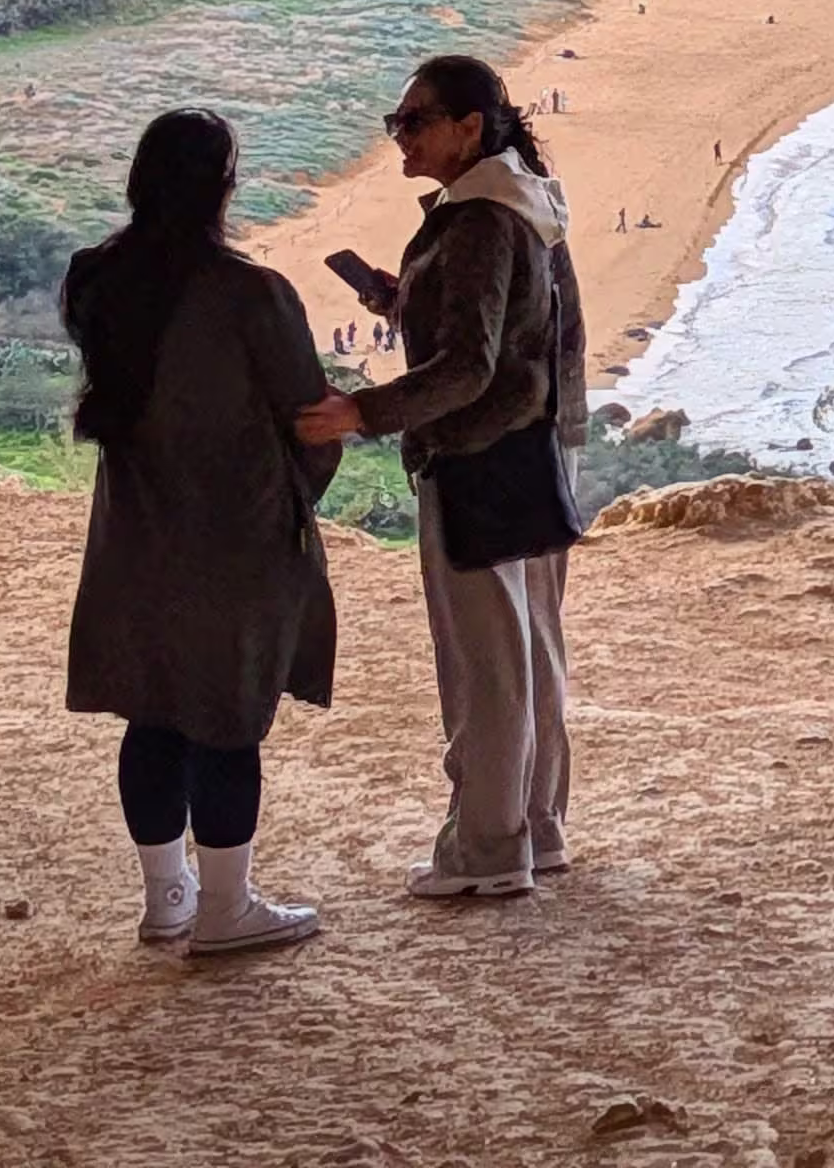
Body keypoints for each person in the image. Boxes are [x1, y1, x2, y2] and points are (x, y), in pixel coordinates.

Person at [296, 52, 590, 900]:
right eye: (397, 121)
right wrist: (405, 301)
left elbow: (467, 367)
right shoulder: (525, 200)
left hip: (478, 454)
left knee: (485, 663)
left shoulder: (478, 221)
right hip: (538, 449)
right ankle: (537, 827)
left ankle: (488, 850)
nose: (401, 135)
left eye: (415, 120)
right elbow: (510, 323)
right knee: (532, 646)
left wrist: (362, 411)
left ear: (468, 127)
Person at [61, 109, 338, 957]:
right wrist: (294, 497)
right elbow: (310, 417)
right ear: (224, 188)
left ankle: (167, 898)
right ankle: (227, 907)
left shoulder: (95, 277)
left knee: (151, 712)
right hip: (234, 532)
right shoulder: (253, 294)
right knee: (226, 716)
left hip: (134, 530)